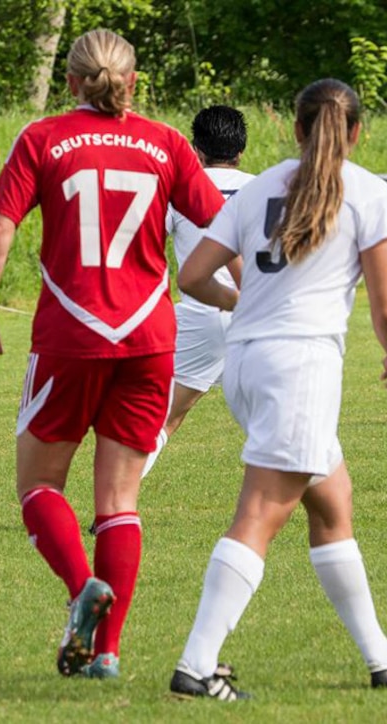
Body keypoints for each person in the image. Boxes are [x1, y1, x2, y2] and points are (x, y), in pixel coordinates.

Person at [0, 29, 226, 679]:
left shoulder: (44, 138)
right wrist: (254, 298)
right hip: (149, 339)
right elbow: (223, 225)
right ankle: (106, 654)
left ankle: (82, 586)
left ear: (70, 82)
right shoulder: (166, 142)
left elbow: (1, 227)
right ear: (133, 82)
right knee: (119, 504)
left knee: (39, 486)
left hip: (73, 335)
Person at [168, 78, 387, 700]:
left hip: (245, 365)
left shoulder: (258, 186)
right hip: (300, 370)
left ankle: (381, 658)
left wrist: (245, 305)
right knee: (260, 515)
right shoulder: (367, 190)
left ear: (294, 130)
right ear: (358, 132)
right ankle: (196, 666)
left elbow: (192, 275)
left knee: (332, 501)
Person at [141, 105, 255, 478]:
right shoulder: (264, 189)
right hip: (261, 315)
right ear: (240, 150)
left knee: (163, 420)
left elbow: (146, 247)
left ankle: (112, 508)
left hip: (203, 315)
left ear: (196, 149)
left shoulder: (180, 187)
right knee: (281, 425)